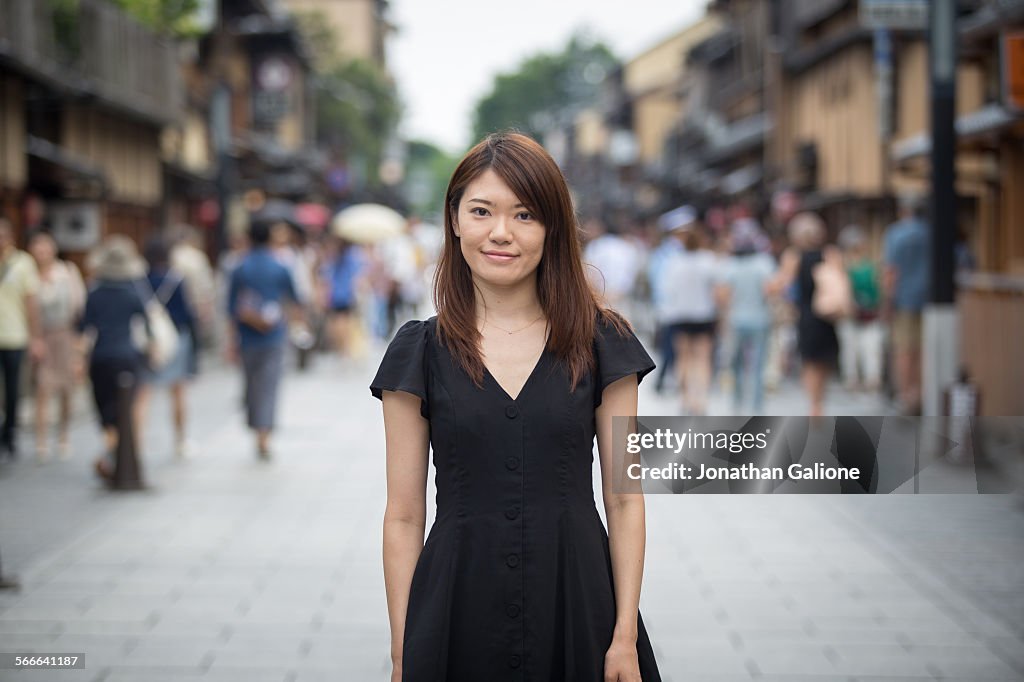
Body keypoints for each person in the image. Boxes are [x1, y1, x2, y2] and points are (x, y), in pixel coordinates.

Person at [370, 132, 661, 682]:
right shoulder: (419, 351)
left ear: (552, 230)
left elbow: (625, 500)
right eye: (481, 211)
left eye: (525, 215)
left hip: (578, 603)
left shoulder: (603, 342)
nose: (501, 232)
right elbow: (404, 514)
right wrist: (404, 648)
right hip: (456, 603)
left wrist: (622, 635)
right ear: (454, 219)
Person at [77, 235, 150, 481]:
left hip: (100, 357)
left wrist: (79, 359)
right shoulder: (132, 293)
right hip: (127, 355)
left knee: (105, 409)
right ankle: (112, 455)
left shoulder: (95, 293)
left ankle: (112, 454)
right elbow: (147, 325)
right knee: (124, 407)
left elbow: (84, 328)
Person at [227, 217, 299, 459]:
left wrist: (230, 341)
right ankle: (264, 434)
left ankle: (255, 427)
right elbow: (294, 299)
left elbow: (230, 307)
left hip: (246, 336)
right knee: (269, 385)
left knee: (250, 384)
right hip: (274, 334)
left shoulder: (239, 267)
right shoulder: (280, 267)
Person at [768, 212, 840, 417]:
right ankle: (819, 401)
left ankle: (814, 405)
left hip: (807, 315)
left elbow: (781, 284)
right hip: (827, 314)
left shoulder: (794, 256)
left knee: (809, 361)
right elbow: (840, 281)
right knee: (824, 360)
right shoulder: (830, 253)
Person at [136, 236, 197, 458]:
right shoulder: (176, 279)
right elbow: (188, 314)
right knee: (178, 390)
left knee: (143, 393)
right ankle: (180, 441)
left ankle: (138, 443)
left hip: (149, 341)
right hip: (177, 338)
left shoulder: (139, 280)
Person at [28, 230, 86, 462]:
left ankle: (63, 436)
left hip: (65, 335)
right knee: (42, 388)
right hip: (40, 336)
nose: (42, 252)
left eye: (45, 247)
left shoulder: (68, 272)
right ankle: (41, 441)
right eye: (37, 248)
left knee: (66, 389)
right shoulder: (29, 274)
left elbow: (79, 307)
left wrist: (79, 345)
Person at [658, 223, 720, 416]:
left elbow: (667, 291)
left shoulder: (674, 262)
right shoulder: (709, 260)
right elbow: (717, 289)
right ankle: (700, 400)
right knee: (702, 358)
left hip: (680, 315)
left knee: (682, 358)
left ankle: (685, 398)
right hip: (704, 315)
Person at [718, 219, 776, 414]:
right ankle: (757, 407)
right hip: (760, 319)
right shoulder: (764, 263)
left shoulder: (730, 265)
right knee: (758, 366)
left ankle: (737, 403)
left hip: (737, 320)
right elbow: (769, 290)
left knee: (737, 365)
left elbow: (724, 296)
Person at [0, 217, 44, 460]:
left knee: (13, 388)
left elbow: (31, 302)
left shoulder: (23, 263)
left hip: (15, 335)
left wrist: (36, 337)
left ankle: (10, 433)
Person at [883, 196, 930, 415]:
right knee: (922, 349)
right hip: (931, 299)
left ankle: (905, 396)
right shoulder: (932, 233)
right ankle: (920, 394)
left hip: (904, 299)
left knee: (904, 349)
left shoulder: (896, 233)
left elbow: (891, 271)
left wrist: (887, 301)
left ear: (904, 210)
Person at [837, 225, 883, 392]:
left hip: (870, 313)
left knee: (870, 349)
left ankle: (871, 379)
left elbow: (879, 289)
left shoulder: (871, 266)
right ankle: (852, 379)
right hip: (850, 315)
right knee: (851, 350)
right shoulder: (842, 267)